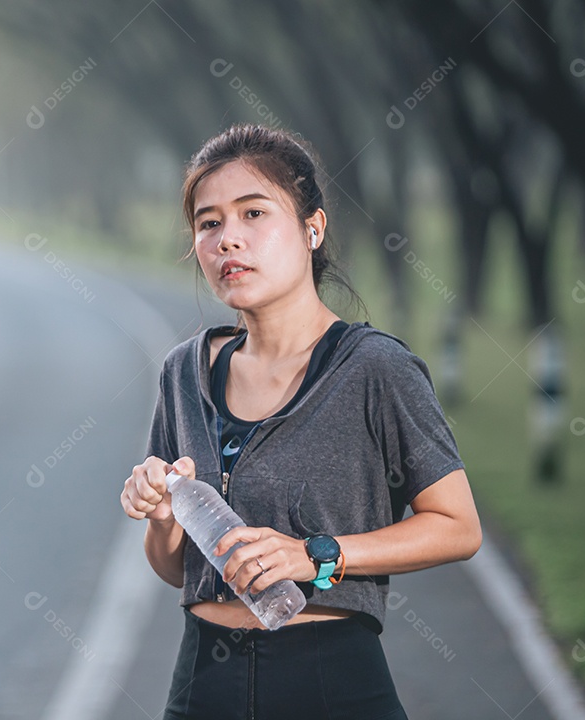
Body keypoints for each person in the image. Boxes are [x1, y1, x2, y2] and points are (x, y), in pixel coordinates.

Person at [120, 123, 482, 719]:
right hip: (202, 683)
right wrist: (162, 520)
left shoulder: (375, 368)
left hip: (330, 681)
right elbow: (174, 569)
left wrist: (316, 555)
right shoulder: (183, 371)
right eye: (209, 223)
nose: (228, 240)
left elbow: (458, 527)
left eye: (253, 213)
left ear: (312, 229)